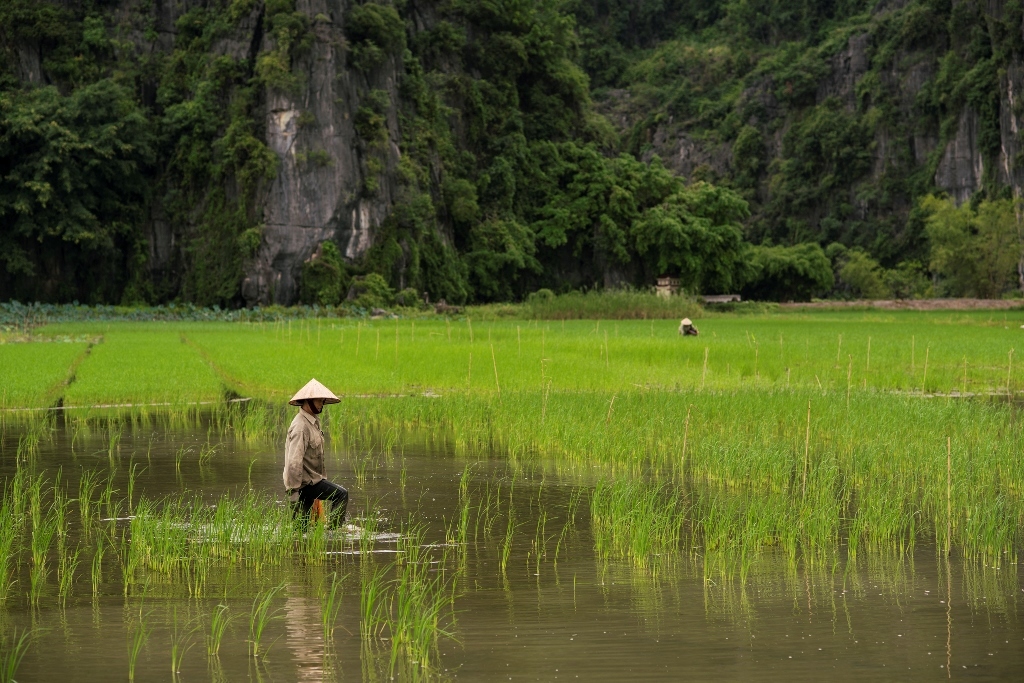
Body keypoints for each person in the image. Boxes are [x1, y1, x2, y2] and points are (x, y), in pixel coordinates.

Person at [283, 378, 348, 527]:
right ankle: (334, 533)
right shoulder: (300, 427)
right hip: (304, 485)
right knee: (341, 494)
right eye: (319, 400)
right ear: (308, 401)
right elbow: (294, 462)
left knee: (302, 528)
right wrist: (293, 494)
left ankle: (301, 545)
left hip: (311, 483)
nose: (322, 403)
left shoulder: (313, 422)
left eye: (322, 400)